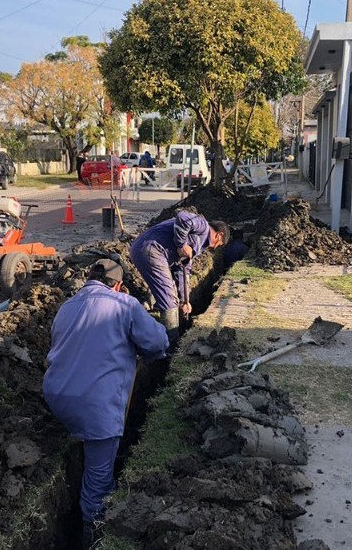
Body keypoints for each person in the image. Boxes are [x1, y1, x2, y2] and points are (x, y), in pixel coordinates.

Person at [43, 259, 169, 547]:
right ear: (119, 285)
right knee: (98, 481)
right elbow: (157, 344)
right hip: (95, 405)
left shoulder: (67, 306)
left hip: (56, 395)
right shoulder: (125, 304)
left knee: (85, 434)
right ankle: (94, 534)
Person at [130, 211, 229, 344]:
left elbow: (183, 271)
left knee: (168, 290)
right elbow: (183, 217)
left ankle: (145, 306)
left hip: (146, 249)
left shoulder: (198, 243)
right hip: (152, 250)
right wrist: (181, 245)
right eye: (219, 244)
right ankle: (170, 344)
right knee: (168, 297)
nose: (215, 248)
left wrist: (184, 300)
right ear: (219, 235)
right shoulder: (203, 226)